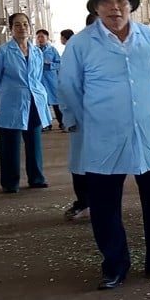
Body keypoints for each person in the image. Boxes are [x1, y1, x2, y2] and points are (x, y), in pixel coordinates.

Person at [59, 0, 150, 288]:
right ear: (96, 8)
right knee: (104, 204)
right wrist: (85, 119)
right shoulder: (81, 44)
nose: (115, 7)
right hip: (103, 134)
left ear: (131, 5)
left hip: (146, 132)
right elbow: (70, 87)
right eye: (107, 1)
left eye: (122, 1)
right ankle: (114, 265)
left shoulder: (147, 37)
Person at [0, 13, 51, 193]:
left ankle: (36, 178)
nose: (22, 28)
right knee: (10, 142)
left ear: (29, 27)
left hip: (34, 99)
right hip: (12, 100)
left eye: (25, 24)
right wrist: (10, 90)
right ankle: (10, 182)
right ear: (11, 29)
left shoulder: (36, 51)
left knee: (34, 140)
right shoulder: (2, 52)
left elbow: (37, 75)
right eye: (17, 25)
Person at [61, 24, 88, 221]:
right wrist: (68, 116)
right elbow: (64, 85)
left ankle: (102, 204)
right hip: (81, 117)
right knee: (80, 164)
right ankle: (83, 202)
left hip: (109, 120)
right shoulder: (77, 48)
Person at [35, 29, 63, 130]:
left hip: (51, 80)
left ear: (47, 38)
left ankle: (62, 122)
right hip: (39, 80)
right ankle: (46, 124)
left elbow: (60, 64)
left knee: (56, 102)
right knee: (42, 103)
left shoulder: (53, 50)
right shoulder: (34, 51)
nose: (40, 39)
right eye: (38, 37)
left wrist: (50, 64)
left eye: (42, 37)